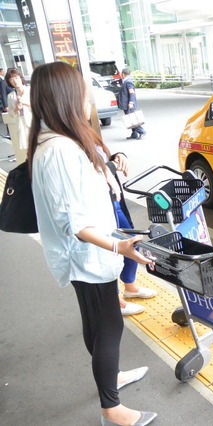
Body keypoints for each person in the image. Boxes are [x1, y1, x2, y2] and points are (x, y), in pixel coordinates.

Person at [27, 62, 157, 425]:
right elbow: (77, 223)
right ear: (66, 98)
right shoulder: (61, 150)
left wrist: (113, 161)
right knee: (109, 326)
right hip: (89, 254)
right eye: (82, 93)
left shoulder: (56, 141)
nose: (88, 99)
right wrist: (121, 247)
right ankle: (111, 409)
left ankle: (110, 380)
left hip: (88, 253)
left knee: (97, 324)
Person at [101, 149, 158, 316]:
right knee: (109, 252)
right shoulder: (68, 140)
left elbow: (101, 158)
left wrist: (117, 156)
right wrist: (111, 165)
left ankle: (130, 286)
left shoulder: (85, 131)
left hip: (113, 201)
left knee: (132, 242)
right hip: (100, 207)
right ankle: (115, 301)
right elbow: (90, 170)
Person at [6, 68, 31, 163]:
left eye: (16, 78)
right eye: (11, 79)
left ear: (20, 77)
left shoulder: (31, 90)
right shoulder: (11, 96)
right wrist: (16, 108)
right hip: (21, 123)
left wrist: (23, 102)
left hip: (32, 122)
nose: (14, 81)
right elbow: (11, 114)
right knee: (27, 148)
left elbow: (38, 106)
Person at [118, 68, 146, 140]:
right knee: (129, 119)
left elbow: (132, 93)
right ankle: (134, 134)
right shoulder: (125, 81)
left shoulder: (128, 82)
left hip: (129, 104)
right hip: (126, 104)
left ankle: (142, 132)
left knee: (132, 119)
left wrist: (131, 102)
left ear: (123, 74)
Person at [0, 68, 10, 138]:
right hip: (4, 100)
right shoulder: (2, 81)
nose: (4, 72)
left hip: (7, 99)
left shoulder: (4, 80)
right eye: (3, 71)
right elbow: (3, 93)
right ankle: (9, 132)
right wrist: (5, 105)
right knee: (7, 116)